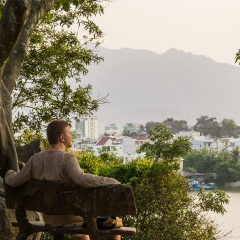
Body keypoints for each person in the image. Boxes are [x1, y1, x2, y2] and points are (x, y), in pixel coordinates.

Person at [5, 120, 121, 240]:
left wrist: (9, 174)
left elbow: (15, 180)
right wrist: (112, 181)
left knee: (86, 220)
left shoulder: (36, 159)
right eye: (69, 133)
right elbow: (81, 179)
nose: (71, 136)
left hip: (50, 218)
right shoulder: (67, 158)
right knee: (114, 225)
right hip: (70, 219)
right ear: (62, 137)